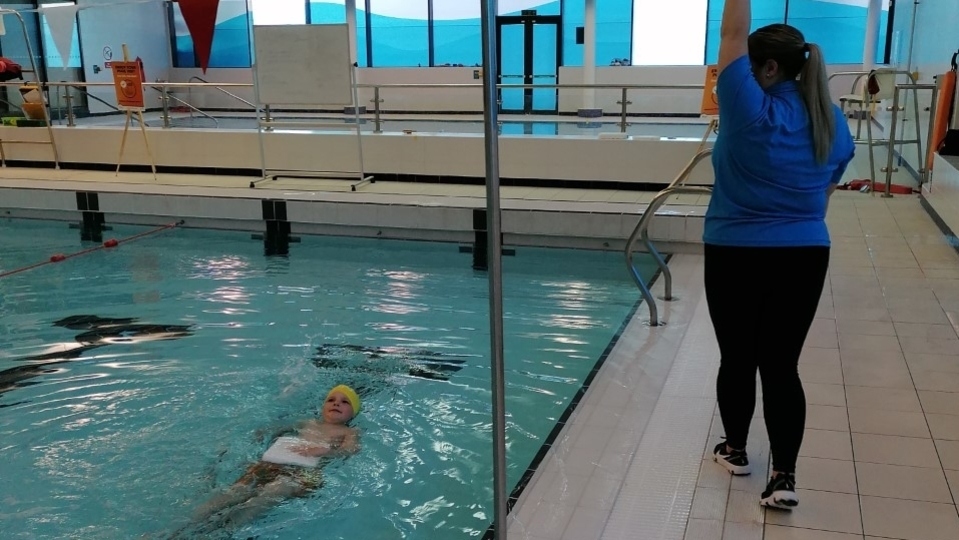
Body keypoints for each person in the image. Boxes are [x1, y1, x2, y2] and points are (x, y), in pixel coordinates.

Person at [705, 0, 855, 511]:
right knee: (782, 365)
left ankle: (737, 450)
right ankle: (784, 477)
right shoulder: (831, 122)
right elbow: (825, 196)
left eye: (750, 65)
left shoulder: (748, 108)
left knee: (738, 357)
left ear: (768, 68)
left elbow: (731, 29)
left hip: (735, 251)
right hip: (805, 254)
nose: (741, 69)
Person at [177, 385, 361, 535]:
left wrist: (325, 450)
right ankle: (181, 528)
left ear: (353, 413)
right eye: (331, 400)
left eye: (345, 402)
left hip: (308, 473)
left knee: (276, 489)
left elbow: (349, 451)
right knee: (238, 490)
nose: (336, 403)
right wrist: (259, 437)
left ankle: (224, 531)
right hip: (275, 464)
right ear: (322, 407)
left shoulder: (348, 432)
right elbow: (276, 429)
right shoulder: (308, 422)